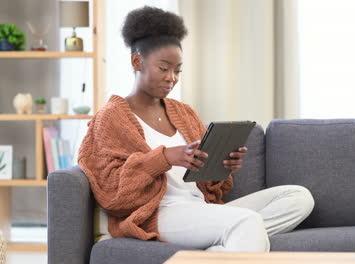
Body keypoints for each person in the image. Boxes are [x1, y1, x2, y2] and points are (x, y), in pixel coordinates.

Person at [78, 6, 314, 252]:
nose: (172, 77)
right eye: (163, 68)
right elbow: (113, 195)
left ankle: (221, 250)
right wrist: (165, 157)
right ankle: (231, 239)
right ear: (137, 61)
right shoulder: (110, 118)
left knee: (298, 197)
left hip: (200, 208)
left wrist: (221, 166)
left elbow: (207, 182)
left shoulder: (184, 112)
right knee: (248, 221)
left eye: (178, 70)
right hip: (160, 213)